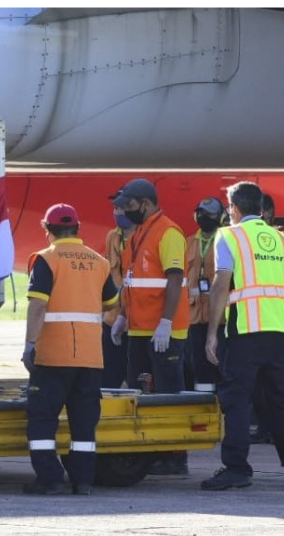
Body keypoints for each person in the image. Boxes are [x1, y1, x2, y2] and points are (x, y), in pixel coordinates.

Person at [202, 181, 284, 490]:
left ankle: (237, 468)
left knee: (236, 401)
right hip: (277, 333)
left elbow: (222, 283)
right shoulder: (280, 239)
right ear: (260, 208)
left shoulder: (230, 236)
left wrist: (212, 331)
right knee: (280, 402)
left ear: (234, 209)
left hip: (245, 331)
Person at [22, 203, 119, 495]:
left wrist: (29, 345)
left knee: (42, 419)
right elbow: (111, 304)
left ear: (47, 230)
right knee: (84, 423)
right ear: (77, 228)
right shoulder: (99, 261)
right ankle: (83, 480)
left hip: (53, 354)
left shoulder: (47, 259)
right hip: (90, 356)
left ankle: (50, 479)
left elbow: (38, 304)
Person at [109, 178, 191, 476]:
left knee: (168, 392)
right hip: (140, 328)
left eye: (128, 204)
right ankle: (148, 452)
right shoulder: (138, 233)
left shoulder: (168, 232)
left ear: (145, 203)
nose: (123, 209)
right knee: (140, 391)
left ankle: (175, 456)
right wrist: (121, 316)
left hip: (164, 330)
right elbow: (132, 281)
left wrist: (166, 322)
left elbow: (174, 279)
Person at [248, 193, 284, 445]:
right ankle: (266, 426)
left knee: (272, 384)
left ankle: (271, 428)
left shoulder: (279, 236)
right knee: (261, 384)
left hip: (273, 318)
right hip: (261, 318)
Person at [185, 196, 228, 394]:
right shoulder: (189, 243)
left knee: (221, 366)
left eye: (210, 214)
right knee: (199, 367)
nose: (205, 217)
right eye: (201, 212)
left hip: (220, 319)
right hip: (195, 317)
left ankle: (224, 410)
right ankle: (204, 405)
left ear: (220, 217)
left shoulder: (226, 241)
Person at [101, 193, 135, 388]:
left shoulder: (143, 236)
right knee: (109, 375)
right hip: (112, 318)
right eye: (114, 208)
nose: (116, 212)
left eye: (120, 208)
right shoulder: (112, 236)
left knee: (135, 376)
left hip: (136, 321)